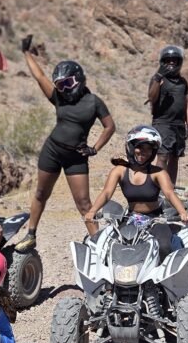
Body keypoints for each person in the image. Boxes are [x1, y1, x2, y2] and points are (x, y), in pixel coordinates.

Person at [15, 34, 116, 251]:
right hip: (51, 151)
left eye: (68, 83)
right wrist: (26, 53)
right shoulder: (58, 97)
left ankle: (99, 245)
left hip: (76, 157)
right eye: (60, 85)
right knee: (41, 194)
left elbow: (110, 126)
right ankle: (30, 235)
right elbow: (39, 76)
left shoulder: (93, 102)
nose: (64, 89)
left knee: (84, 204)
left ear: (79, 79)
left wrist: (95, 148)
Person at [85, 126, 188, 256]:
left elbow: (169, 193)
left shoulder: (158, 173)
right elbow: (106, 193)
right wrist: (92, 211)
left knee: (164, 246)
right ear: (130, 147)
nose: (143, 152)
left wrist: (182, 212)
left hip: (156, 220)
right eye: (140, 147)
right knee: (112, 246)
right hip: (130, 218)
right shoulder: (119, 171)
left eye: (148, 149)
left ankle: (162, 274)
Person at [147, 45, 188, 185]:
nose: (171, 63)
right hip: (163, 123)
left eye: (174, 60)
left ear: (179, 62)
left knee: (175, 157)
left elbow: (186, 102)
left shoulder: (182, 82)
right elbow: (151, 98)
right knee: (162, 156)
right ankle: (159, 188)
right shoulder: (158, 80)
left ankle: (170, 189)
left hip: (178, 125)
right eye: (168, 61)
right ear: (163, 62)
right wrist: (157, 77)